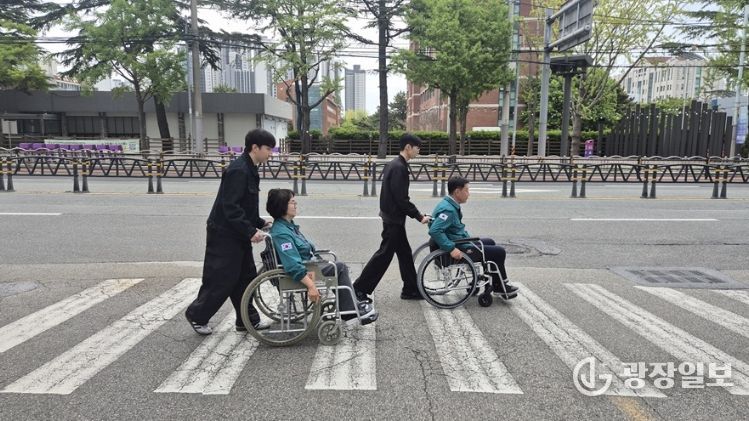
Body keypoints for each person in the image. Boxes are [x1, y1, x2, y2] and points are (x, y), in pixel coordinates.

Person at [185, 129, 276, 335]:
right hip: (224, 234)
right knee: (221, 278)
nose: (271, 154)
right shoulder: (239, 170)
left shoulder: (250, 168)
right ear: (255, 147)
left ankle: (246, 320)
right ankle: (197, 315)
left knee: (246, 277)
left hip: (237, 233)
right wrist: (250, 231)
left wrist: (260, 223)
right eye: (268, 149)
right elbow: (231, 207)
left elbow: (246, 205)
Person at [266, 189, 378, 324]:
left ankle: (351, 304)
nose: (295, 204)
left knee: (337, 266)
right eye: (292, 202)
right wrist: (311, 286)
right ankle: (350, 311)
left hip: (310, 265)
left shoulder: (289, 227)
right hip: (304, 271)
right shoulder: (282, 233)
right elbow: (292, 265)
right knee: (339, 267)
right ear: (282, 206)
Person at [353, 133, 431, 301]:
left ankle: (410, 289)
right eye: (417, 148)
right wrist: (419, 216)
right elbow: (401, 199)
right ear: (408, 147)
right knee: (384, 256)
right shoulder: (399, 167)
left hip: (392, 217)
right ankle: (359, 289)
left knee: (405, 254)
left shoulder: (395, 164)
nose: (418, 151)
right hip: (393, 219)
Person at [428, 176, 519, 299]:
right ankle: (500, 286)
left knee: (490, 242)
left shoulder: (447, 204)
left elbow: (435, 224)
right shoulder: (448, 210)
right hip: (459, 248)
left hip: (459, 241)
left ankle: (495, 283)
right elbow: (434, 230)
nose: (468, 194)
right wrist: (451, 248)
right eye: (466, 190)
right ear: (457, 192)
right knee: (499, 252)